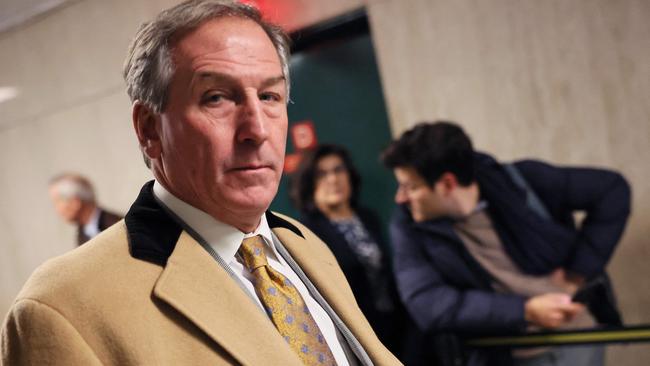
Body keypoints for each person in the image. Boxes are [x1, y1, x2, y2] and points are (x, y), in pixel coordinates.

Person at [0, 1, 400, 365]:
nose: (257, 130)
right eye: (216, 98)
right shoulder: (62, 308)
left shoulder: (305, 245)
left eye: (269, 96)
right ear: (149, 129)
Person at [381, 121, 631, 366]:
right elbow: (428, 303)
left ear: (447, 183)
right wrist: (524, 310)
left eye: (410, 187)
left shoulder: (520, 181)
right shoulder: (409, 227)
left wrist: (577, 274)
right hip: (507, 353)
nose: (399, 197)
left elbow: (612, 190)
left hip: (580, 341)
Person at [290, 144, 411, 361]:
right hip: (355, 336)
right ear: (310, 183)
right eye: (322, 174)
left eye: (339, 170)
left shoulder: (367, 217)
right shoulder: (306, 232)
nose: (333, 179)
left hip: (396, 327)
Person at [48, 173, 122, 245]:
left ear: (75, 202)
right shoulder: (82, 234)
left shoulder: (118, 226)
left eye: (57, 202)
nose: (57, 209)